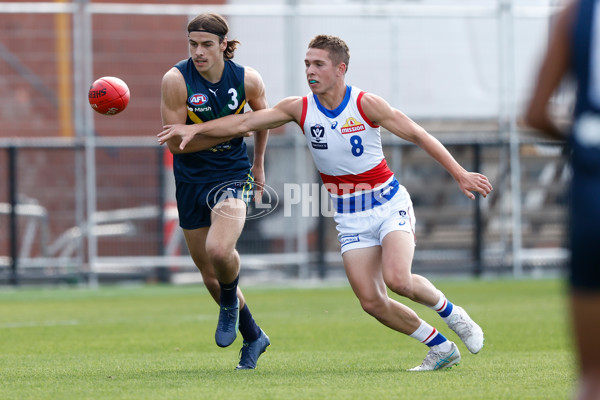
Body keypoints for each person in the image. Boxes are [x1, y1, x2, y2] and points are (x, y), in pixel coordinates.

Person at [159, 34, 493, 371]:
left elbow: (418, 135)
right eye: (306, 64)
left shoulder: (365, 104)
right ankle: (440, 347)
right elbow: (245, 122)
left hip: (388, 203)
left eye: (318, 64)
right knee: (372, 301)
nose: (310, 71)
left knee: (398, 279)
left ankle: (454, 315)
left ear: (340, 69)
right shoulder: (299, 108)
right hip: (349, 215)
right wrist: (193, 131)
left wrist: (460, 173)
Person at [160, 13, 270, 370]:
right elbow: (177, 146)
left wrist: (258, 164)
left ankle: (228, 305)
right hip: (191, 179)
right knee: (209, 271)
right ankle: (253, 335)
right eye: (193, 44)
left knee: (220, 250)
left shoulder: (247, 79)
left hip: (233, 174)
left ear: (224, 45)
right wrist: (233, 129)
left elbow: (262, 118)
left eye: (207, 44)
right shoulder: (176, 81)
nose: (198, 52)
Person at [525, 1, 600, 398]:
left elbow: (535, 113)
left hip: (594, 184)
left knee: (593, 379)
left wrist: (583, 143)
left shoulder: (577, 13)